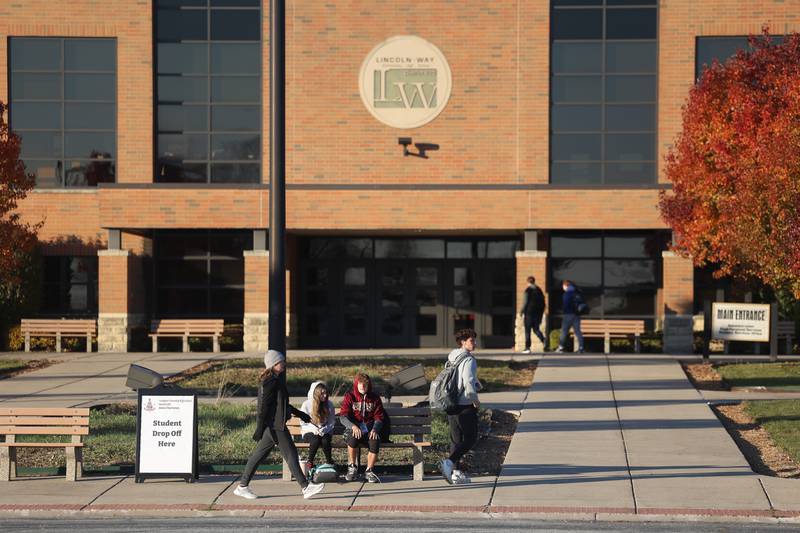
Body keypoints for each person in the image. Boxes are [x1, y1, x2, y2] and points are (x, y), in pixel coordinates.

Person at [233, 350, 325, 500]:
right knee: (291, 455)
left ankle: (242, 486)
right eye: (281, 361)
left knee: (258, 456)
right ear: (274, 364)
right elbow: (264, 407)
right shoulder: (270, 382)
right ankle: (306, 487)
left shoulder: (276, 380)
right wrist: (259, 427)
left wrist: (300, 414)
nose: (284, 363)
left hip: (274, 425)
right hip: (275, 426)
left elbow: (282, 405)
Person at [440, 328, 482, 485]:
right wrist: (475, 400)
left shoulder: (452, 355)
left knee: (456, 439)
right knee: (470, 438)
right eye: (472, 340)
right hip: (464, 404)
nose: (475, 343)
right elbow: (467, 382)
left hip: (450, 402)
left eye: (474, 340)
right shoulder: (469, 360)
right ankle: (449, 463)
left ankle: (456, 473)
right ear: (463, 342)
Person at [339, 373, 386, 483]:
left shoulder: (375, 398)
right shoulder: (350, 397)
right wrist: (353, 426)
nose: (363, 387)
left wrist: (375, 429)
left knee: (375, 440)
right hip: (353, 428)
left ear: (369, 385)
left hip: (369, 428)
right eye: (360, 384)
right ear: (356, 384)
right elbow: (343, 416)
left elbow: (379, 417)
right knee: (352, 437)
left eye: (365, 385)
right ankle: (352, 467)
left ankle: (369, 471)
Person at [299, 381, 336, 469]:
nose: (325, 395)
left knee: (325, 441)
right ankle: (310, 462)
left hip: (324, 430)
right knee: (315, 440)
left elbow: (331, 422)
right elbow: (303, 422)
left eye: (326, 393)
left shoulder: (329, 404)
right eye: (322, 393)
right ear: (316, 394)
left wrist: (324, 429)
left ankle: (329, 461)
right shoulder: (306, 404)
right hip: (309, 430)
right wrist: (314, 429)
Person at [519, 275, 546, 353]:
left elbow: (525, 302)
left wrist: (521, 311)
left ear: (528, 282)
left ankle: (527, 348)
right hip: (538, 314)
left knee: (527, 331)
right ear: (534, 281)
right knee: (536, 329)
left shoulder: (528, 290)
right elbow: (543, 303)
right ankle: (544, 341)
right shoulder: (539, 290)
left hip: (529, 313)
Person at [556, 279, 584, 353]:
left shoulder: (566, 294)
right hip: (577, 315)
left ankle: (561, 347)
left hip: (568, 314)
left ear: (566, 286)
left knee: (564, 331)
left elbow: (566, 305)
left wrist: (563, 310)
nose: (562, 287)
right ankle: (581, 347)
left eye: (563, 286)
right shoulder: (576, 293)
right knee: (578, 331)